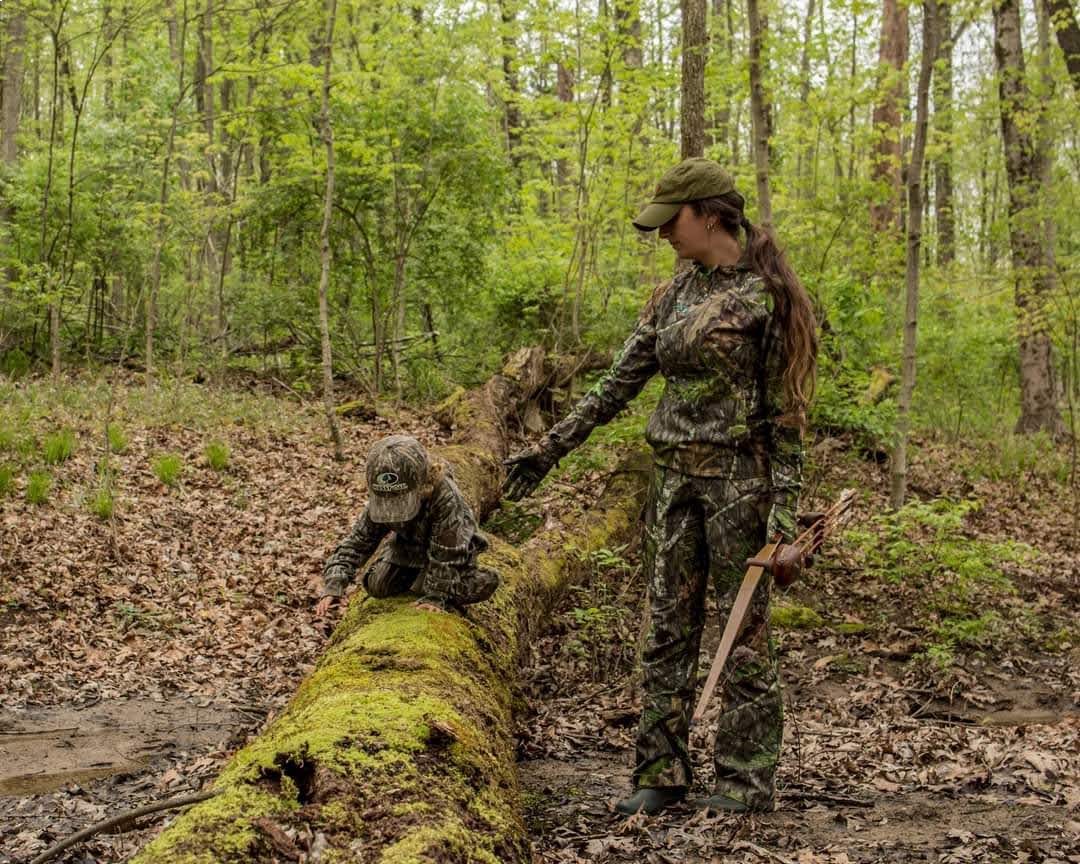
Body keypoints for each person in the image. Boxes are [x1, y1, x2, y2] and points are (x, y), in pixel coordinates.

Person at [503, 158, 817, 815]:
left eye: (671, 221)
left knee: (743, 635)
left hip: (742, 487)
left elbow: (789, 414)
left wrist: (784, 513)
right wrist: (549, 451)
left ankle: (744, 779)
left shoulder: (768, 295)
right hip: (673, 483)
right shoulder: (674, 293)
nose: (662, 234)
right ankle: (660, 772)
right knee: (666, 630)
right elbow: (618, 382)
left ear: (708, 215)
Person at [316, 435, 499, 617]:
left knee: (467, 587)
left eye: (400, 500)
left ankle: (470, 578)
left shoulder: (446, 497)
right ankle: (420, 578)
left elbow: (449, 551)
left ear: (424, 481)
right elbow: (359, 540)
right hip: (409, 551)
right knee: (377, 585)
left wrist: (435, 596)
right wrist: (334, 584)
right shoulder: (381, 498)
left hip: (451, 554)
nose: (394, 506)